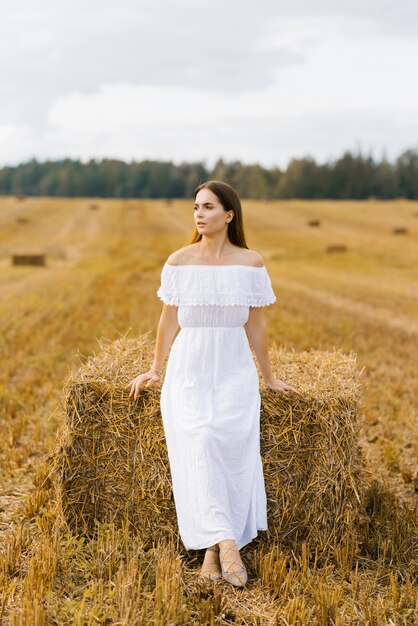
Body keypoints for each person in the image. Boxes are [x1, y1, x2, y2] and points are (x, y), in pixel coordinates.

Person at [127, 180, 297, 587]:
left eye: (207, 207)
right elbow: (168, 320)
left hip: (233, 371)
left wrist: (268, 378)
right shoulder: (179, 261)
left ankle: (210, 552)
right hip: (189, 371)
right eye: (195, 208)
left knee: (229, 449)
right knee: (200, 440)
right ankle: (228, 544)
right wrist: (155, 369)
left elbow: (256, 324)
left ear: (229, 214)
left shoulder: (251, 263)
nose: (198, 214)